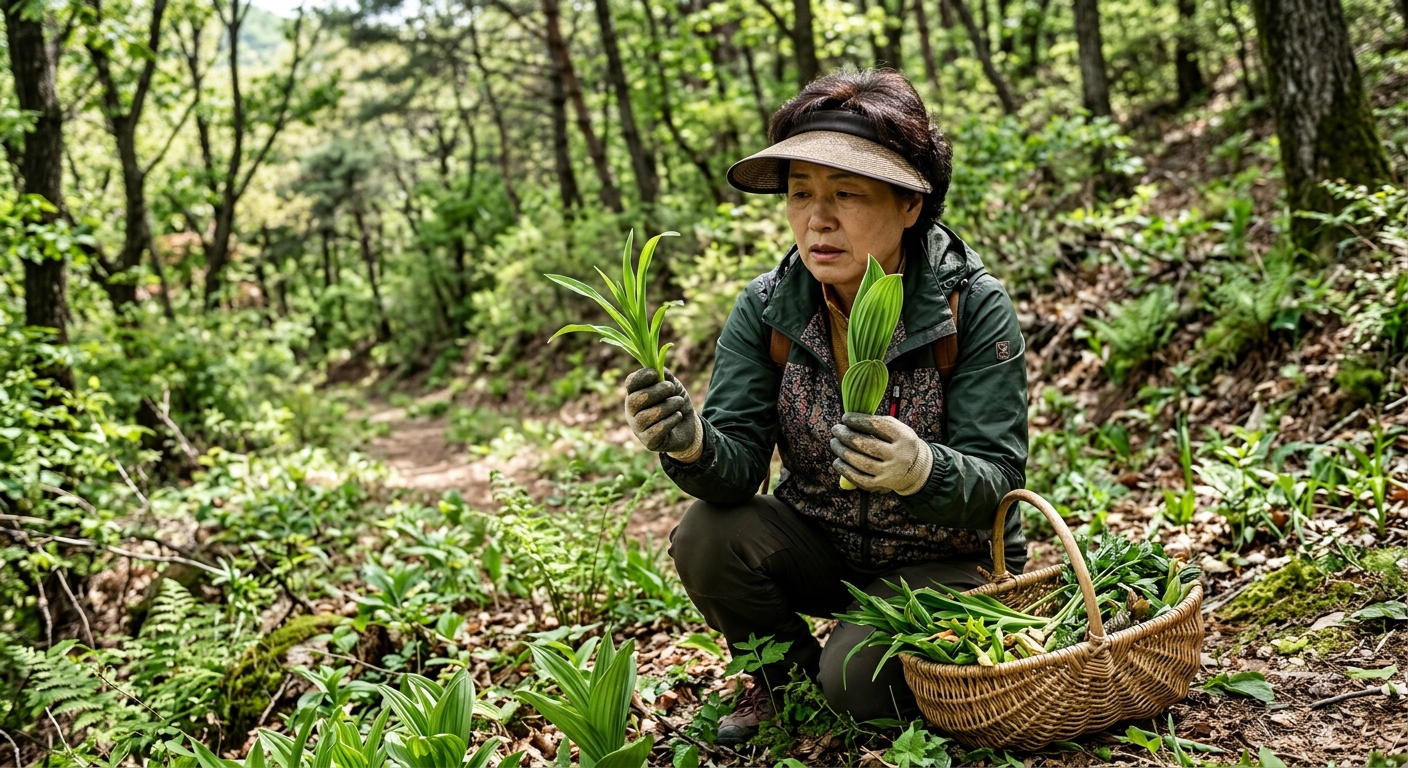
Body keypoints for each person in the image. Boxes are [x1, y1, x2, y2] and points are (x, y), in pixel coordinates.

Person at [622, 69, 1029, 744]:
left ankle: (842, 678)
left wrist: (922, 469)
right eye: (800, 193)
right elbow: (736, 470)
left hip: (946, 562)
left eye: (846, 193)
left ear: (910, 203)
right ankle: (781, 683)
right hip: (825, 547)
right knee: (707, 535)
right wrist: (692, 443)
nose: (818, 219)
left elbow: (1000, 482)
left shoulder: (968, 305)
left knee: (854, 687)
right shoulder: (769, 306)